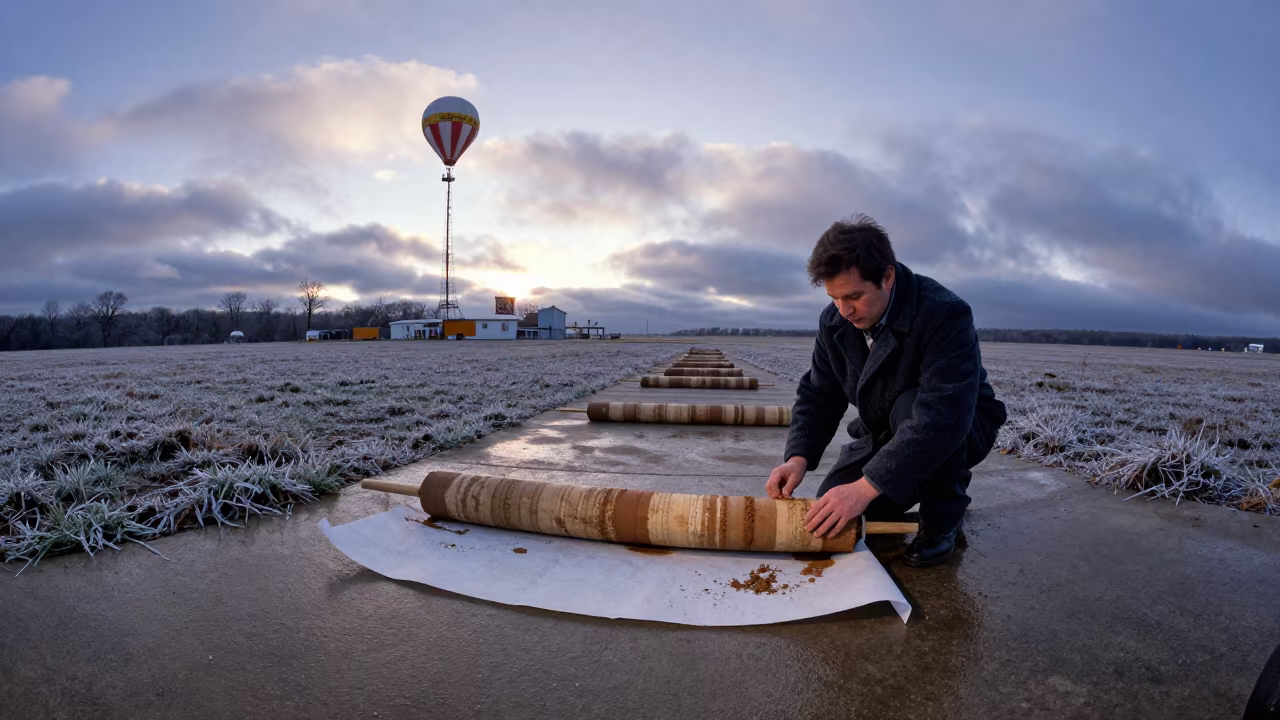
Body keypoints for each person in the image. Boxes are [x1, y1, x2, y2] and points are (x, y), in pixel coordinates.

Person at [765, 214, 1007, 567]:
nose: (844, 310)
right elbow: (820, 394)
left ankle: (943, 523)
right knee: (831, 516)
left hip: (959, 426)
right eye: (834, 298)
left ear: (888, 276)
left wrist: (866, 487)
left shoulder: (944, 313)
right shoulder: (834, 321)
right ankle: (902, 480)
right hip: (884, 432)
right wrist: (797, 457)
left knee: (912, 409)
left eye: (854, 296)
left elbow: (943, 416)